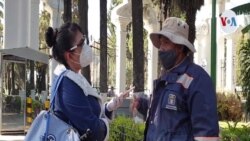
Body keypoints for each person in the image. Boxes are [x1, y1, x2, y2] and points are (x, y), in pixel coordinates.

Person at [132, 17, 219, 141]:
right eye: (161, 42)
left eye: (166, 43)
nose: (161, 48)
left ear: (180, 47)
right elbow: (163, 114)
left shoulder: (198, 79)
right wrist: (141, 104)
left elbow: (206, 135)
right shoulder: (165, 77)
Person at [45, 22, 127, 141]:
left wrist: (109, 107)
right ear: (69, 55)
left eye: (84, 39)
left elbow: (85, 113)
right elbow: (93, 130)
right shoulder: (67, 86)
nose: (87, 47)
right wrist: (105, 123)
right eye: (81, 43)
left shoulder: (73, 78)